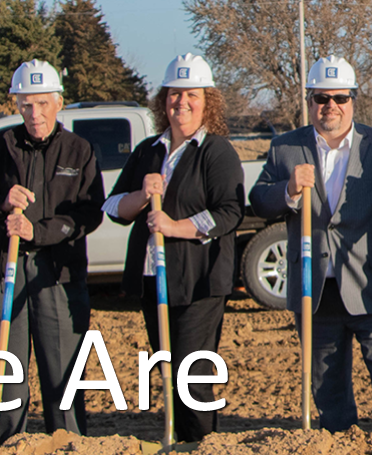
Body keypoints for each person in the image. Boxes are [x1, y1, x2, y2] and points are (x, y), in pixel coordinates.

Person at [250, 56, 372, 432]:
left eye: (340, 98)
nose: (330, 106)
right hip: (315, 291)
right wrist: (288, 189)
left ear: (353, 100)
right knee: (327, 389)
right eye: (321, 98)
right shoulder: (285, 149)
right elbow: (259, 200)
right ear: (310, 100)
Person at [0, 60, 104, 441]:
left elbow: (88, 214)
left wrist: (36, 231)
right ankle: (8, 442)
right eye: (25, 105)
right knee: (8, 370)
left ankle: (68, 443)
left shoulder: (79, 151)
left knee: (62, 373)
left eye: (41, 104)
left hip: (59, 274)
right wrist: (2, 203)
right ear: (16, 105)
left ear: (58, 103)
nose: (34, 114)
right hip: (5, 271)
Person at [104, 53, 245, 443]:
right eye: (173, 95)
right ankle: (183, 441)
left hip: (199, 281)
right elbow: (113, 207)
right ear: (162, 100)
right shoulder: (149, 150)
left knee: (191, 373)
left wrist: (175, 226)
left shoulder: (216, 152)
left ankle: (202, 444)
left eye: (191, 96)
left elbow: (230, 211)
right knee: (168, 369)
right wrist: (141, 195)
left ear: (207, 101)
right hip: (155, 279)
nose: (181, 103)